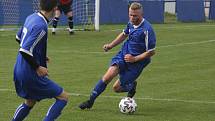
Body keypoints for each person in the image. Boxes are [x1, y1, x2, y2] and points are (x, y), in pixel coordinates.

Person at [79, 2, 156, 110]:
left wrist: (134, 59)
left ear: (141, 14)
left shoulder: (147, 29)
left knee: (116, 88)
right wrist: (110, 45)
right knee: (107, 76)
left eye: (135, 16)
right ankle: (90, 101)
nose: (132, 18)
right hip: (123, 55)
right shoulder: (130, 23)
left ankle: (131, 86)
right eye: (130, 14)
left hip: (137, 63)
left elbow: (151, 52)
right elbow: (124, 34)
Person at [12, 0, 69, 120]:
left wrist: (38, 54)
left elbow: (18, 38)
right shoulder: (41, 26)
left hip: (19, 68)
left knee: (30, 102)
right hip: (29, 72)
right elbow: (25, 50)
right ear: (55, 8)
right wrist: (37, 66)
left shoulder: (31, 17)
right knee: (63, 97)